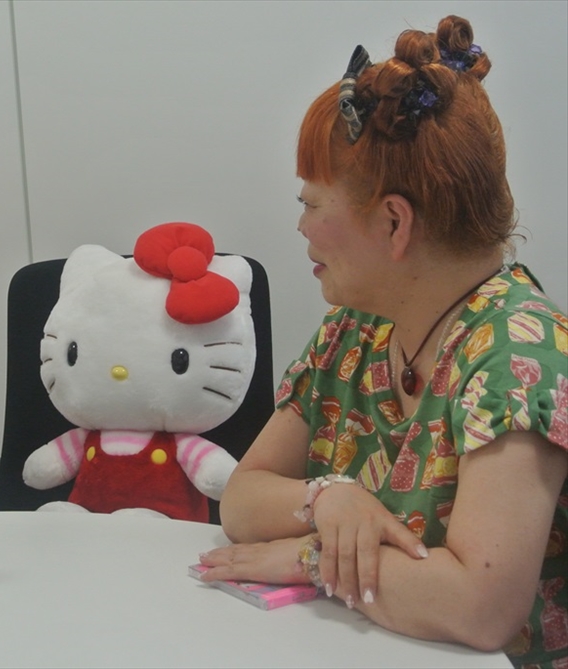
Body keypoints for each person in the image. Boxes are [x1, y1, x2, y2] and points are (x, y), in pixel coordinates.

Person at [197, 15, 567, 668]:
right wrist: (328, 498)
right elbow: (243, 498)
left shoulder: (518, 358)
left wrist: (313, 558)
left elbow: (480, 606)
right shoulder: (359, 325)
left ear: (395, 222)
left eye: (313, 205)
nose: (300, 226)